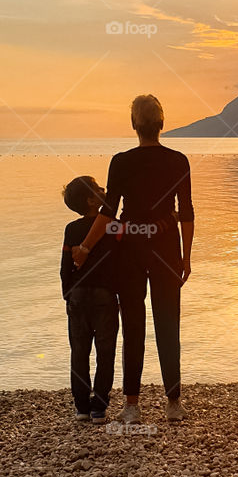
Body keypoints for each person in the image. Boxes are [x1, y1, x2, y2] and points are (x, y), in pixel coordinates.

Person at [72, 95, 193, 423]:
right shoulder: (179, 160)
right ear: (162, 124)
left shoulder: (121, 162)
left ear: (133, 125)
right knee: (169, 324)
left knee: (134, 326)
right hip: (167, 247)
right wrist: (186, 257)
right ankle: (173, 404)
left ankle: (132, 406)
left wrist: (84, 247)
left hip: (131, 250)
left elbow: (109, 213)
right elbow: (187, 214)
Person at [60, 175, 120, 424]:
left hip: (79, 295)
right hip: (105, 295)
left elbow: (65, 268)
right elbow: (121, 262)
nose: (104, 189)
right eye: (98, 189)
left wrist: (67, 295)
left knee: (79, 351)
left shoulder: (72, 229)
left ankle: (82, 406)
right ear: (91, 200)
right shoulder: (113, 225)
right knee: (105, 352)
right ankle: (99, 407)